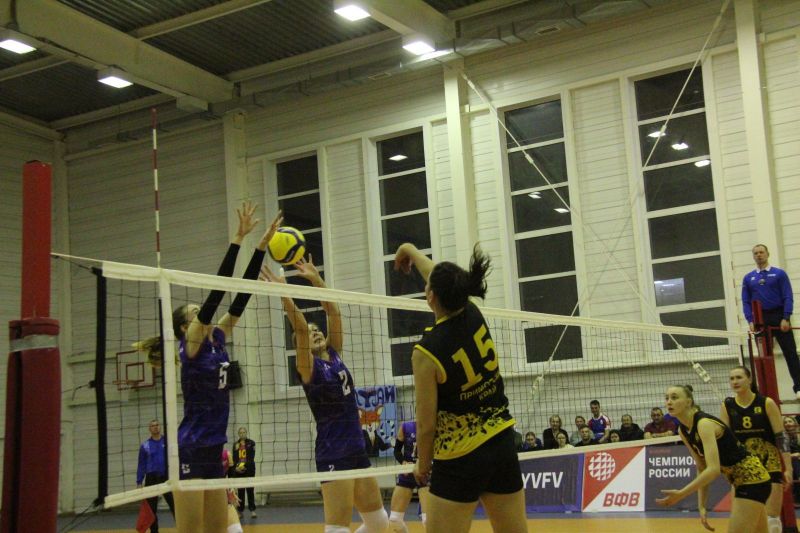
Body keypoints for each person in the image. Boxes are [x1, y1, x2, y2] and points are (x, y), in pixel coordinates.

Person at [394, 242, 527, 533]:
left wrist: (423, 465)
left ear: (430, 296)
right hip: (501, 443)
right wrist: (410, 250)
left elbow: (426, 425)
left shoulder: (426, 352)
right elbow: (441, 279)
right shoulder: (472, 311)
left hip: (459, 456)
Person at [172, 202, 279, 533]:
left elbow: (240, 299)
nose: (200, 313)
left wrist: (260, 248)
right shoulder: (191, 346)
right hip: (191, 448)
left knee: (218, 529)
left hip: (214, 448)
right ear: (185, 326)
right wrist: (237, 239)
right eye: (194, 312)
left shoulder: (217, 339)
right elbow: (217, 294)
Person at [261, 257, 389, 533]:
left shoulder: (334, 353)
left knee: (379, 523)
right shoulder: (308, 368)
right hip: (334, 451)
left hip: (356, 448)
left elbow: (334, 313)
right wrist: (284, 293)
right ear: (300, 345)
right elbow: (299, 328)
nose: (315, 332)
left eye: (317, 330)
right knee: (337, 528)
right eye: (309, 334)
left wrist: (316, 280)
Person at [656, 385, 771, 532]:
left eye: (674, 397)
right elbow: (701, 467)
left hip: (752, 478)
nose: (669, 402)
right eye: (667, 398)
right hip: (740, 481)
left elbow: (713, 470)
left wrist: (681, 493)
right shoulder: (682, 430)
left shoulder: (703, 423)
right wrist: (702, 505)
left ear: (688, 402)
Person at [721, 366, 793, 533]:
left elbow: (781, 436)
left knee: (771, 519)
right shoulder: (727, 405)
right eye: (732, 378)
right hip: (744, 467)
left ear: (750, 379)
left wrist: (788, 467)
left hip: (769, 463)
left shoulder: (766, 403)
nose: (735, 381)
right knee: (744, 519)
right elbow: (725, 441)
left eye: (739, 377)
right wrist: (726, 469)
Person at [742, 244, 800, 399]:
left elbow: (787, 296)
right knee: (763, 357)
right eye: (756, 253)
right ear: (753, 256)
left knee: (791, 353)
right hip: (760, 319)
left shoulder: (779, 274)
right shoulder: (748, 278)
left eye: (761, 252)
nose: (759, 255)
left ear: (767, 254)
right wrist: (750, 320)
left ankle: (799, 387)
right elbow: (746, 301)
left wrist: (786, 317)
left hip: (779, 317)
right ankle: (765, 391)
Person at [388, 420, 429, 533]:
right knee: (394, 519)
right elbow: (397, 451)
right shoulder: (406, 427)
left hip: (425, 473)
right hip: (408, 472)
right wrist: (403, 462)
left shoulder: (435, 427)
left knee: (428, 520)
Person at [136, 420, 174, 533]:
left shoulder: (168, 442)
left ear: (160, 427)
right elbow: (141, 465)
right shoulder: (145, 445)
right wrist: (139, 481)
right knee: (151, 509)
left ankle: (184, 528)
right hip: (151, 478)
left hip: (166, 478)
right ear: (150, 429)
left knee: (175, 505)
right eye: (152, 426)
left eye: (157, 425)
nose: (155, 427)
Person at [230, 427, 257, 519]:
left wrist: (244, 466)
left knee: (250, 490)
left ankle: (252, 510)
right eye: (240, 432)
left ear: (246, 433)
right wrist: (237, 468)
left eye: (244, 432)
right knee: (240, 491)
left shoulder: (251, 443)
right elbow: (234, 458)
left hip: (249, 469)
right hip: (239, 470)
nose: (242, 434)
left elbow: (251, 457)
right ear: (238, 434)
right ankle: (240, 511)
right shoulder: (235, 444)